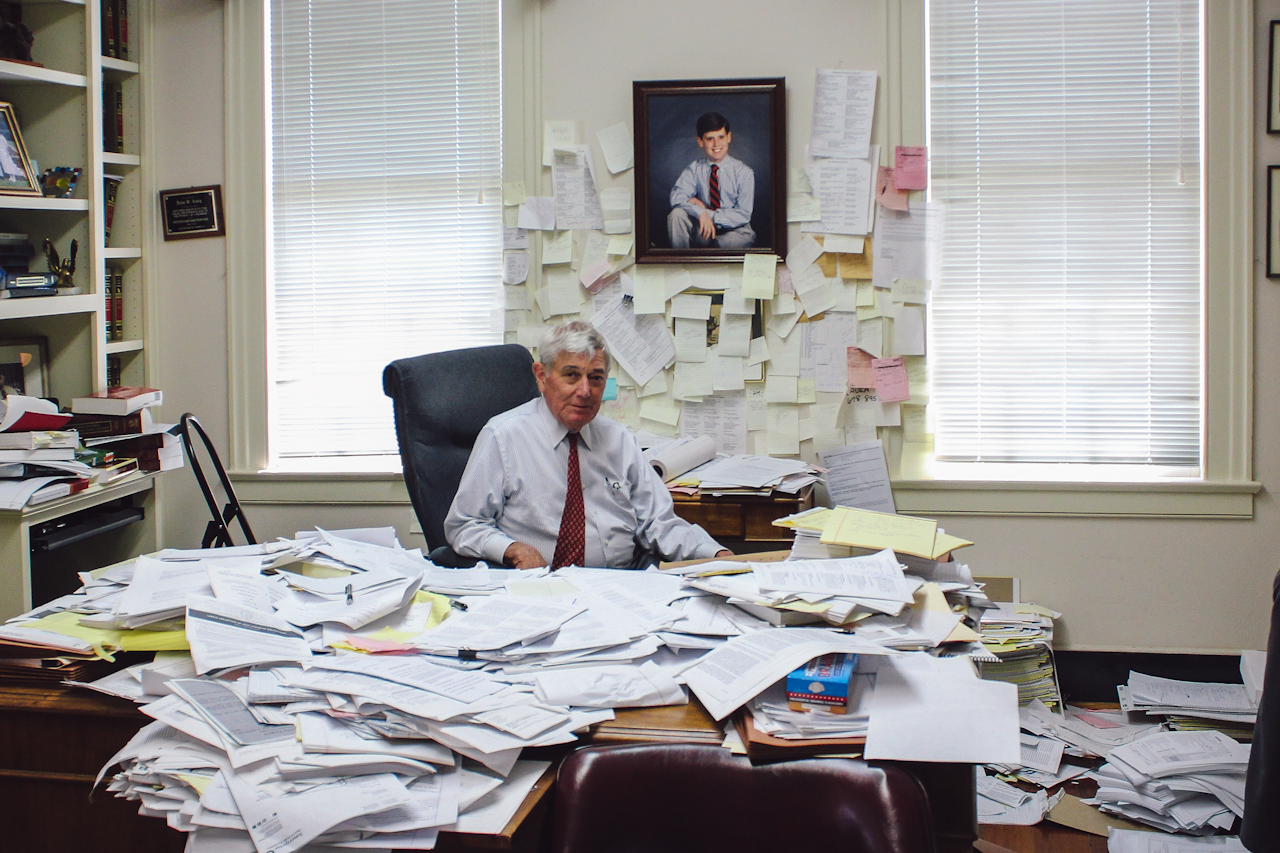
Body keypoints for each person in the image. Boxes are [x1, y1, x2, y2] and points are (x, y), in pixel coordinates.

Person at [445, 321, 733, 569]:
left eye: (595, 378)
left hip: (622, 583)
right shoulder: (503, 436)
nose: (585, 391)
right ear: (542, 376)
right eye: (571, 375)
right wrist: (512, 549)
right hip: (539, 585)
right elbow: (464, 526)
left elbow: (659, 524)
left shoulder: (619, 440)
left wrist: (716, 554)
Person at [667, 111, 755, 249]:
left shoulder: (744, 172)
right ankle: (681, 263)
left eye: (721, 137)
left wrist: (707, 214)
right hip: (704, 229)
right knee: (676, 215)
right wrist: (699, 212)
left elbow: (743, 214)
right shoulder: (695, 169)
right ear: (700, 141)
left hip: (735, 232)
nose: (716, 144)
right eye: (709, 139)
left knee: (725, 243)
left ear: (729, 137)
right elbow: (676, 197)